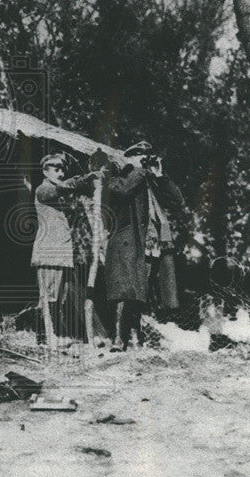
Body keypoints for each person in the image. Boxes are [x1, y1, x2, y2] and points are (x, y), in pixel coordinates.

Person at [104, 140, 188, 351]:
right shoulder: (119, 178)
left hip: (151, 243)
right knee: (124, 291)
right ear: (129, 158)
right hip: (127, 244)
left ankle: (135, 336)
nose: (145, 161)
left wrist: (160, 176)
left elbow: (177, 202)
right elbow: (122, 192)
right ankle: (118, 338)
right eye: (141, 157)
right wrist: (140, 170)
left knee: (141, 290)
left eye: (147, 156)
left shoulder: (150, 181)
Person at [31, 153, 97, 347]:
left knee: (59, 298)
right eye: (56, 169)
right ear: (45, 171)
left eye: (62, 169)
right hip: (50, 253)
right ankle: (44, 337)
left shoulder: (57, 194)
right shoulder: (43, 189)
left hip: (61, 253)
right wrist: (84, 178)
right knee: (48, 296)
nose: (60, 173)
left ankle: (48, 335)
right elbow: (63, 188)